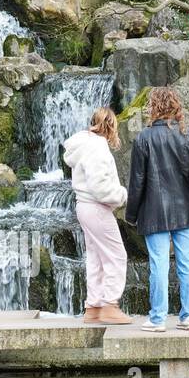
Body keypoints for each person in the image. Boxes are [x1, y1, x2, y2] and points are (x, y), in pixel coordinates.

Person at [125, 87, 189, 332]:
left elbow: (137, 181)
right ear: (175, 105)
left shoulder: (144, 137)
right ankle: (188, 316)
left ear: (154, 107)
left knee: (159, 263)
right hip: (184, 208)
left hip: (153, 210)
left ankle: (158, 319)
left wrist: (131, 214)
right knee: (187, 262)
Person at [63, 107, 131, 324]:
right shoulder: (97, 147)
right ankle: (110, 305)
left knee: (96, 258)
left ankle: (93, 308)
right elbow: (100, 186)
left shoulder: (83, 144)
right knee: (116, 255)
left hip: (83, 206)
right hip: (97, 207)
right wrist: (121, 195)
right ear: (110, 126)